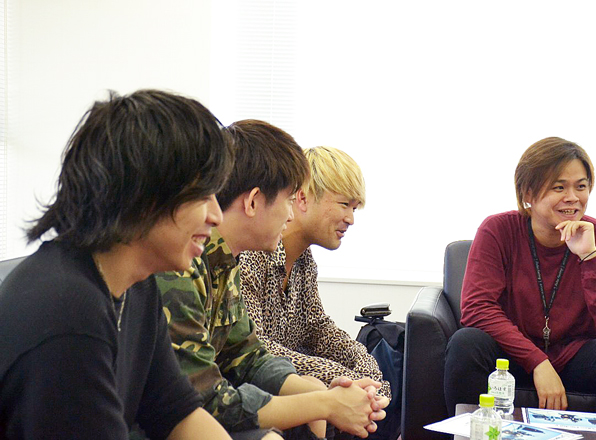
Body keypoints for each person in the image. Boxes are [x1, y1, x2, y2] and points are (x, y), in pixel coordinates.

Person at [0, 90, 235, 439]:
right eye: (204, 195)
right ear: (147, 193)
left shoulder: (137, 287)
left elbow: (176, 412)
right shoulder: (68, 311)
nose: (216, 215)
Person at [155, 120, 388, 440]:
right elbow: (206, 398)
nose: (291, 216)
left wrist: (331, 391)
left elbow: (249, 356)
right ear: (252, 202)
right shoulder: (183, 265)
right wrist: (325, 402)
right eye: (289, 200)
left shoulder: (226, 260)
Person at [444, 137, 596, 416]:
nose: (573, 197)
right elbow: (477, 308)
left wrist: (590, 258)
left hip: (577, 358)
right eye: (559, 187)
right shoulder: (498, 231)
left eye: (581, 186)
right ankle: (471, 432)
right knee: (466, 344)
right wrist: (538, 362)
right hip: (512, 356)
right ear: (528, 192)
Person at [239, 147, 395, 434]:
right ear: (302, 199)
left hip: (288, 386)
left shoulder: (305, 261)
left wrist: (368, 374)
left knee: (375, 403)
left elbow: (319, 329)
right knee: (325, 394)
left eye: (354, 208)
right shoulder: (251, 253)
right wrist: (344, 379)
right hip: (255, 391)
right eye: (344, 204)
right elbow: (256, 348)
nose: (351, 218)